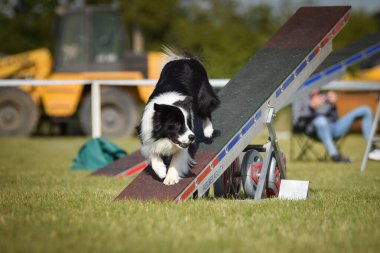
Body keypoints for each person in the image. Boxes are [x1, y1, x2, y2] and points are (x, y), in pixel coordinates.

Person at [292, 90, 380, 162]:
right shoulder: (300, 98)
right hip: (314, 131)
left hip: (333, 128)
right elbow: (296, 123)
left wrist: (333, 104)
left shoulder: (324, 96)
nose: (317, 89)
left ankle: (371, 148)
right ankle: (335, 155)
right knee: (321, 121)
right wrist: (311, 107)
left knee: (365, 110)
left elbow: (335, 118)